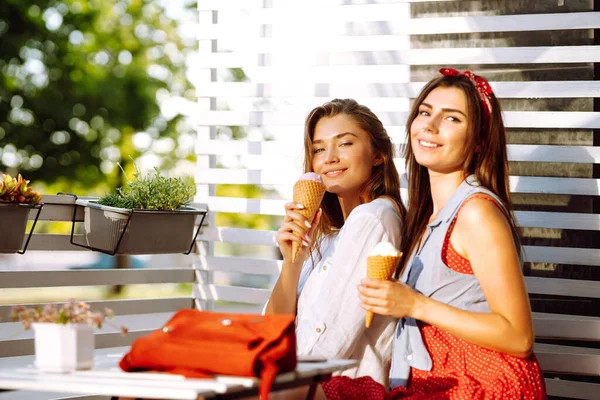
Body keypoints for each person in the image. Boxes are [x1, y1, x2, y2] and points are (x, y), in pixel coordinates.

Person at [322, 69, 547, 399]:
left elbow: (519, 336)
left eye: (452, 118)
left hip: (483, 389)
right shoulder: (424, 217)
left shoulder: (476, 213)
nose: (429, 125)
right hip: (433, 385)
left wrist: (414, 304)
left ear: (479, 140)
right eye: (425, 112)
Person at [264, 98, 406, 389]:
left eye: (345, 144)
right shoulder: (329, 236)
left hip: (338, 389)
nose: (329, 157)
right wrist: (293, 260)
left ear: (378, 154)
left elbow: (330, 342)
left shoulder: (373, 217)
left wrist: (268, 384)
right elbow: (272, 328)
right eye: (318, 149)